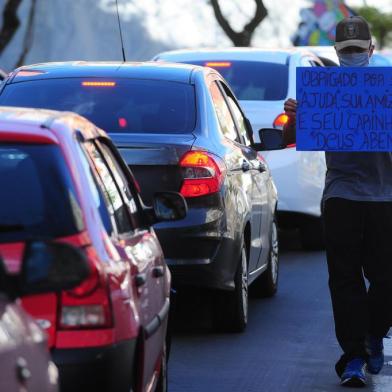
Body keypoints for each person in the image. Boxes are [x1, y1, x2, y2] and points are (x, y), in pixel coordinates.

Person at [284, 16, 392, 387]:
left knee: (386, 278)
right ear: (337, 52)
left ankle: (374, 333)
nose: (352, 56)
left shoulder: (387, 89)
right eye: (346, 51)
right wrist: (296, 115)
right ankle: (354, 357)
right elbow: (292, 136)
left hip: (385, 198)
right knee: (344, 280)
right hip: (341, 196)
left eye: (357, 51)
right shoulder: (324, 91)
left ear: (370, 51)